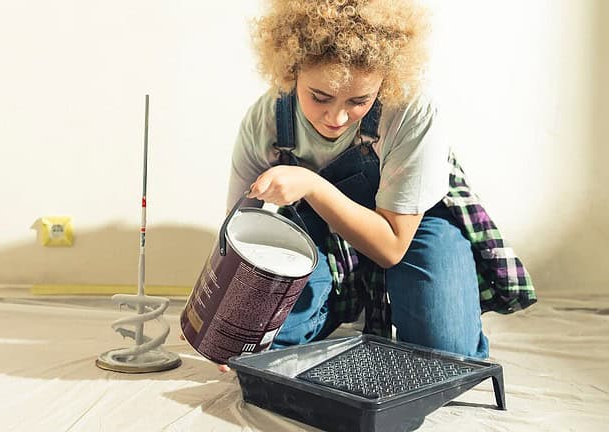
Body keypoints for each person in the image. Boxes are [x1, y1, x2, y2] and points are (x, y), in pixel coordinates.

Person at [222, 0, 535, 373]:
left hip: (412, 226)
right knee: (263, 343)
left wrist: (311, 185)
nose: (337, 117)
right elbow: (237, 229)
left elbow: (391, 247)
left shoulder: (411, 110)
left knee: (447, 356)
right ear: (292, 71)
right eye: (319, 97)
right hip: (320, 230)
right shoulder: (267, 119)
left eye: (359, 101)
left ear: (384, 81)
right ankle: (334, 302)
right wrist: (224, 324)